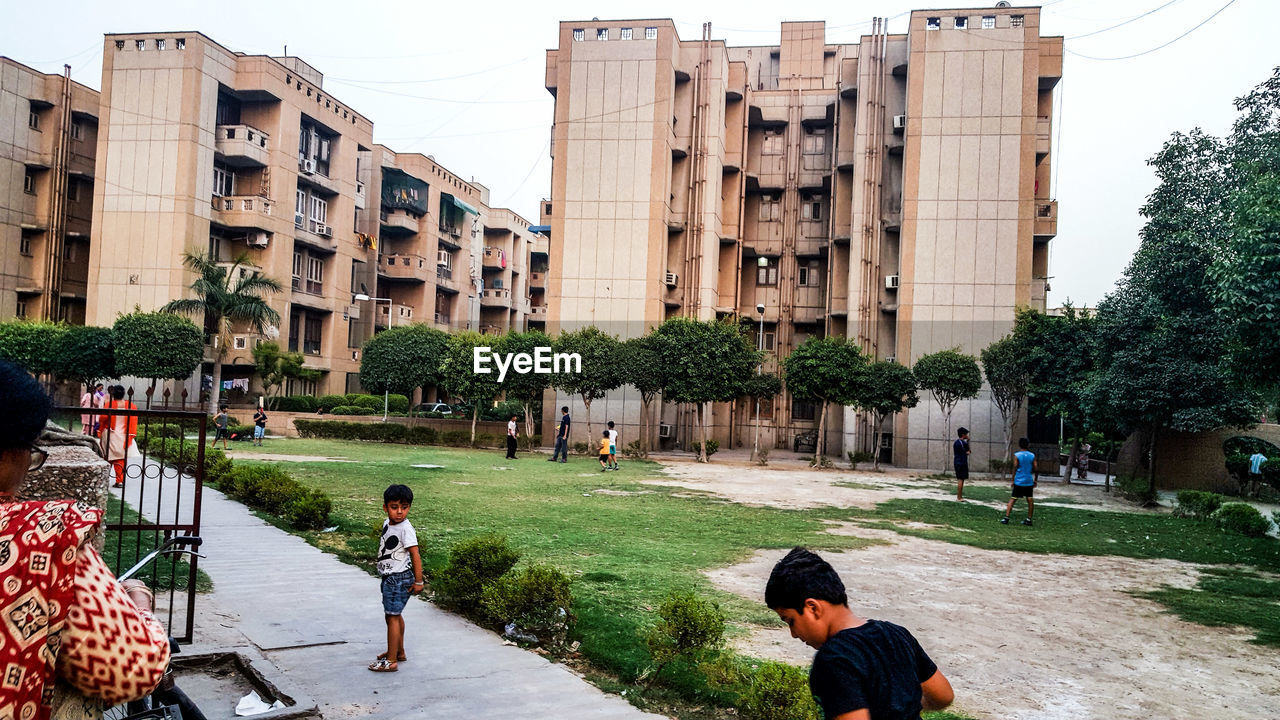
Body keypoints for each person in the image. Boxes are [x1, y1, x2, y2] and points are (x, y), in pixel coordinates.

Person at [0, 360, 170, 720]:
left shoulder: (114, 407)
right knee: (119, 457)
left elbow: (106, 424)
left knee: (116, 454)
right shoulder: (45, 538)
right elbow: (135, 669)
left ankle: (119, 474)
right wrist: (140, 606)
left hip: (114, 432)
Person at [765, 547, 954, 720]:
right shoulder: (895, 634)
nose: (793, 634)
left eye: (790, 621)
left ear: (813, 608)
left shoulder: (834, 659)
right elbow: (942, 695)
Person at [370, 484, 423, 673]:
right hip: (389, 577)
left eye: (405, 507)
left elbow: (415, 554)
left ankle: (391, 661)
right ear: (385, 507)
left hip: (398, 578)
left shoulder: (406, 529)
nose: (400, 512)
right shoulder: (387, 523)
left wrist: (419, 581)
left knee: (392, 616)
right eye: (394, 507)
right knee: (394, 614)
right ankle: (398, 651)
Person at [98, 385, 138, 489]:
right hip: (124, 435)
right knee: (120, 458)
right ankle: (119, 481)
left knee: (108, 456)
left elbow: (102, 418)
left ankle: (104, 479)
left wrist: (100, 429)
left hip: (111, 434)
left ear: (113, 394)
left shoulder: (109, 404)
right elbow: (134, 421)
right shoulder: (131, 406)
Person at [1002, 437, 1038, 526]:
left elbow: (1015, 467)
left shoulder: (1017, 455)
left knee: (1013, 499)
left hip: (1019, 481)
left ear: (1019, 445)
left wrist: (1013, 480)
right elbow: (1036, 468)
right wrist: (1036, 480)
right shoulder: (1032, 455)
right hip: (1029, 481)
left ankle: (1006, 518)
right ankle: (1029, 519)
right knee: (1030, 500)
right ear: (1028, 445)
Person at [953, 427, 970, 501]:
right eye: (966, 434)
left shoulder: (956, 442)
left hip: (957, 462)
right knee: (961, 479)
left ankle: (959, 496)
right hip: (962, 463)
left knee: (960, 479)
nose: (967, 435)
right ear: (963, 435)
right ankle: (959, 497)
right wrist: (968, 442)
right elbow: (968, 452)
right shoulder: (964, 443)